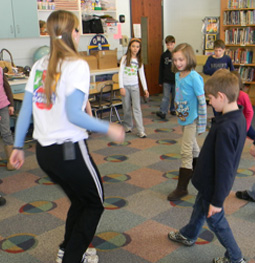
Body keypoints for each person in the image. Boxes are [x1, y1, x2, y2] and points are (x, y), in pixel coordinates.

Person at [9, 10, 124, 263]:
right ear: (72, 33)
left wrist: (18, 146)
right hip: (70, 150)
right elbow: (74, 114)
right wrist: (109, 128)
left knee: (80, 201)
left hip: (44, 153)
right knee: (94, 203)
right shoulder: (76, 64)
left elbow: (25, 110)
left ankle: (66, 249)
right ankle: (73, 256)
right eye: (77, 29)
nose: (79, 33)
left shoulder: (40, 65)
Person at [168, 69, 247, 263]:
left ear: (221, 96)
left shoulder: (226, 128)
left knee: (215, 219)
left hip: (214, 185)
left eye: (211, 98)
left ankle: (235, 257)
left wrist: (218, 201)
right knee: (199, 206)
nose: (209, 102)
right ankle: (189, 234)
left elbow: (225, 169)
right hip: (207, 181)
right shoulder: (235, 117)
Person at [167, 43, 207, 201]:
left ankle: (182, 188)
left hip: (193, 119)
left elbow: (202, 102)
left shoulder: (194, 78)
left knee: (186, 151)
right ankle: (203, 178)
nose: (178, 63)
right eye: (175, 60)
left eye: (181, 59)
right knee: (194, 149)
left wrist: (202, 123)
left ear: (189, 58)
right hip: (183, 117)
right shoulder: (178, 75)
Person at [118, 38, 149, 138]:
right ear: (130, 47)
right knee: (126, 107)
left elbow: (142, 75)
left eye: (137, 47)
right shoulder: (125, 58)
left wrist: (145, 89)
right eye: (133, 46)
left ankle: (141, 130)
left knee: (137, 109)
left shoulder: (139, 60)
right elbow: (120, 73)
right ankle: (128, 126)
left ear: (140, 48)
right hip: (125, 87)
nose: (135, 49)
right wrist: (121, 87)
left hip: (135, 86)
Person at [156, 35, 176, 119]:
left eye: (171, 44)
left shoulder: (177, 55)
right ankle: (163, 111)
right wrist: (160, 81)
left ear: (174, 44)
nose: (170, 46)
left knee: (175, 96)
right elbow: (161, 68)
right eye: (168, 44)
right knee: (166, 97)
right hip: (166, 81)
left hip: (176, 80)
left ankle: (173, 109)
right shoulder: (164, 55)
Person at [232, 71, 255, 140]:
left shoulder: (243, 96)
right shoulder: (228, 95)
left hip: (244, 123)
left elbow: (250, 112)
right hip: (233, 123)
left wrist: (246, 127)